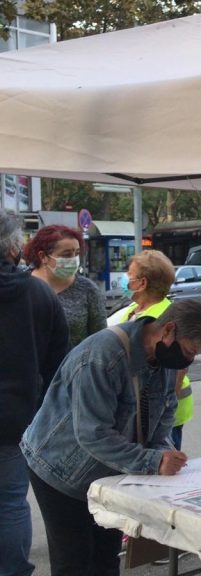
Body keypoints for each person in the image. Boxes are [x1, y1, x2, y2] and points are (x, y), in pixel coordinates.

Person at [21, 299, 201, 576]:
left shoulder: (164, 357)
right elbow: (94, 435)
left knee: (105, 557)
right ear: (169, 330)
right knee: (74, 561)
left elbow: (166, 410)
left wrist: (164, 452)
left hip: (111, 472)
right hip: (61, 469)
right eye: (189, 351)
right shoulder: (102, 356)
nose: (188, 360)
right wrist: (153, 461)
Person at [0, 211, 68, 576]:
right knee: (10, 502)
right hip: (16, 419)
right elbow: (58, 364)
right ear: (13, 247)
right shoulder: (38, 294)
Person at [108, 250, 194, 450]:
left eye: (129, 273)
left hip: (161, 412)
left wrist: (162, 406)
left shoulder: (166, 318)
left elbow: (178, 369)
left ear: (142, 283)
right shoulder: (133, 310)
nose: (125, 278)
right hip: (139, 406)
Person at [25, 224, 104, 348]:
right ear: (43, 256)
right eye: (66, 255)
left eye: (77, 253)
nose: (73, 260)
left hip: (74, 366)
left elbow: (100, 339)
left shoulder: (88, 290)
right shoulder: (21, 286)